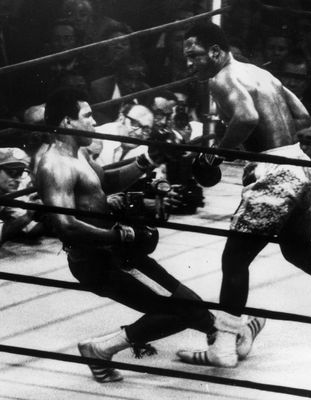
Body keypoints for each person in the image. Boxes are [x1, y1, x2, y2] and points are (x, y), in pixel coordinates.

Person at [177, 22, 311, 368]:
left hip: (275, 173)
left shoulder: (223, 78)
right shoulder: (262, 75)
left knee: (233, 262)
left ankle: (224, 347)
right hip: (301, 167)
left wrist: (215, 153)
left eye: (194, 55)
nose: (190, 63)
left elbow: (245, 117)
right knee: (298, 250)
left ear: (215, 52)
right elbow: (303, 115)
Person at [35, 87, 259, 382]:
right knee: (179, 309)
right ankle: (101, 348)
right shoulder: (55, 165)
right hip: (96, 258)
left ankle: (228, 333)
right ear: (67, 121)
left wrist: (148, 160)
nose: (93, 122)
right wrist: (118, 237)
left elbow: (106, 183)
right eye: (87, 116)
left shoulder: (79, 154)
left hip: (115, 250)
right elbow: (64, 224)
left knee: (184, 301)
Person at [0, 148, 43, 244]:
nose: (18, 180)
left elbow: (34, 229)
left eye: (21, 173)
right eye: (13, 173)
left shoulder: (5, 194)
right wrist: (28, 215)